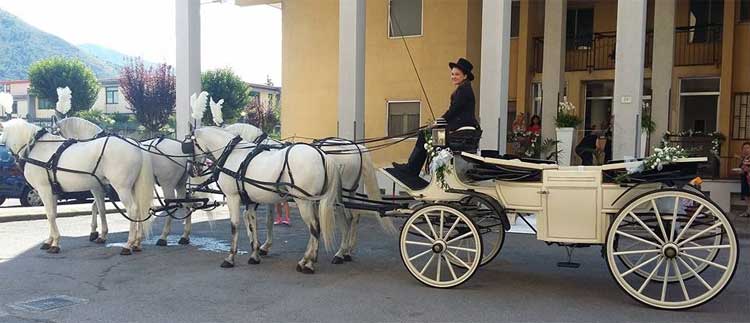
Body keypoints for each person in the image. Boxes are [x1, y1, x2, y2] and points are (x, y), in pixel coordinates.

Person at [393, 58, 479, 176]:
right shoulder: (464, 89)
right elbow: (454, 112)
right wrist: (438, 122)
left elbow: (452, 111)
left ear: (465, 76)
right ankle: (416, 167)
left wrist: (438, 122)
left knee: (425, 134)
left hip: (458, 133)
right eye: (452, 74)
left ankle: (412, 168)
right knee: (428, 134)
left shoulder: (464, 90)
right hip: (458, 130)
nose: (453, 77)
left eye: (457, 74)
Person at [739, 142, 750, 217]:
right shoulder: (744, 158)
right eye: (744, 148)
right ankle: (748, 210)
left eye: (748, 148)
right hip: (744, 178)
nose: (745, 150)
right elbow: (741, 167)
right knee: (746, 195)